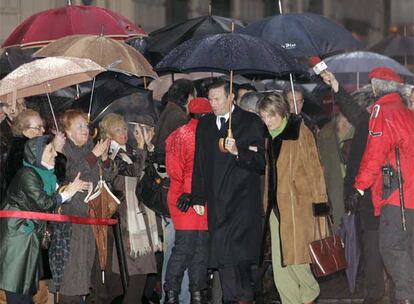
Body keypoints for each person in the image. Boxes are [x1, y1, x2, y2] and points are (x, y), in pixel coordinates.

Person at [321, 70, 397, 303]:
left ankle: (383, 295)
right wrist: (335, 84)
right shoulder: (370, 120)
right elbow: (352, 109)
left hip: (378, 196)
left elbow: (374, 161)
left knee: (380, 249)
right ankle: (384, 294)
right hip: (373, 198)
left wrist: (358, 189)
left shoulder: (380, 122)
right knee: (377, 248)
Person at [343, 67, 414, 304]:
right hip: (411, 194)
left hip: (397, 195)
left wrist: (359, 188)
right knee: (407, 249)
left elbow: (373, 154)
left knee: (391, 248)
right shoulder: (407, 113)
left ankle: (406, 298)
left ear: (376, 86)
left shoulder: (382, 111)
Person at [191, 79, 266, 304]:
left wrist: (238, 151)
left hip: (242, 203)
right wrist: (198, 195)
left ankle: (242, 298)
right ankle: (232, 299)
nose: (213, 104)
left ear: (231, 96)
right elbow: (200, 163)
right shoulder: (204, 125)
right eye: (210, 99)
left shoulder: (250, 122)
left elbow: (261, 161)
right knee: (222, 258)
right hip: (217, 202)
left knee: (240, 259)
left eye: (217, 99)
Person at [0, 136, 89, 304]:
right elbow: (45, 203)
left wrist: (71, 189)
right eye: (50, 150)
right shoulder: (27, 174)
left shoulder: (45, 174)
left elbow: (58, 195)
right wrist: (68, 192)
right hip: (17, 236)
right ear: (37, 154)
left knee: (23, 283)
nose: (55, 154)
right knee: (15, 284)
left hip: (27, 234)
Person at [256, 93, 326, 304]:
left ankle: (309, 296)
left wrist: (320, 206)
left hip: (298, 207)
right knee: (280, 267)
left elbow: (315, 171)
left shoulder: (300, 133)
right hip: (275, 208)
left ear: (281, 112)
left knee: (298, 262)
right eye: (263, 117)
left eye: (271, 116)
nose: (267, 121)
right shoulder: (269, 137)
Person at [49, 110, 113, 304]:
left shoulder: (91, 148)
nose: (85, 129)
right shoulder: (63, 150)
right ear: (67, 131)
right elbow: (69, 174)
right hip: (71, 221)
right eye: (79, 126)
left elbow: (108, 177)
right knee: (72, 274)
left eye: (86, 125)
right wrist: (94, 155)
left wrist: (104, 159)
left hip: (90, 219)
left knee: (84, 272)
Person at [98, 113, 160, 304]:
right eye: (117, 129)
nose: (123, 132)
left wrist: (148, 146)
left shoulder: (131, 150)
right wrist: (141, 148)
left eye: (124, 128)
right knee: (136, 263)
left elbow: (147, 171)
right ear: (107, 134)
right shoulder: (110, 154)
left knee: (134, 265)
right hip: (126, 216)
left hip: (140, 213)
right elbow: (132, 172)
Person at [164, 98, 212, 304]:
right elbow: (192, 169)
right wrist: (190, 192)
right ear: (204, 115)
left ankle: (174, 293)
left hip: (185, 195)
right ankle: (193, 293)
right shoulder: (201, 134)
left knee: (187, 247)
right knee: (195, 248)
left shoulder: (177, 134)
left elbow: (174, 169)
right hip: (190, 197)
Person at [154, 79, 195, 304]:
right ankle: (178, 297)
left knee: (174, 250)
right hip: (177, 196)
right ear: (189, 97)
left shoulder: (166, 113)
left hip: (167, 193)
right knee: (179, 250)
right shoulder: (179, 119)